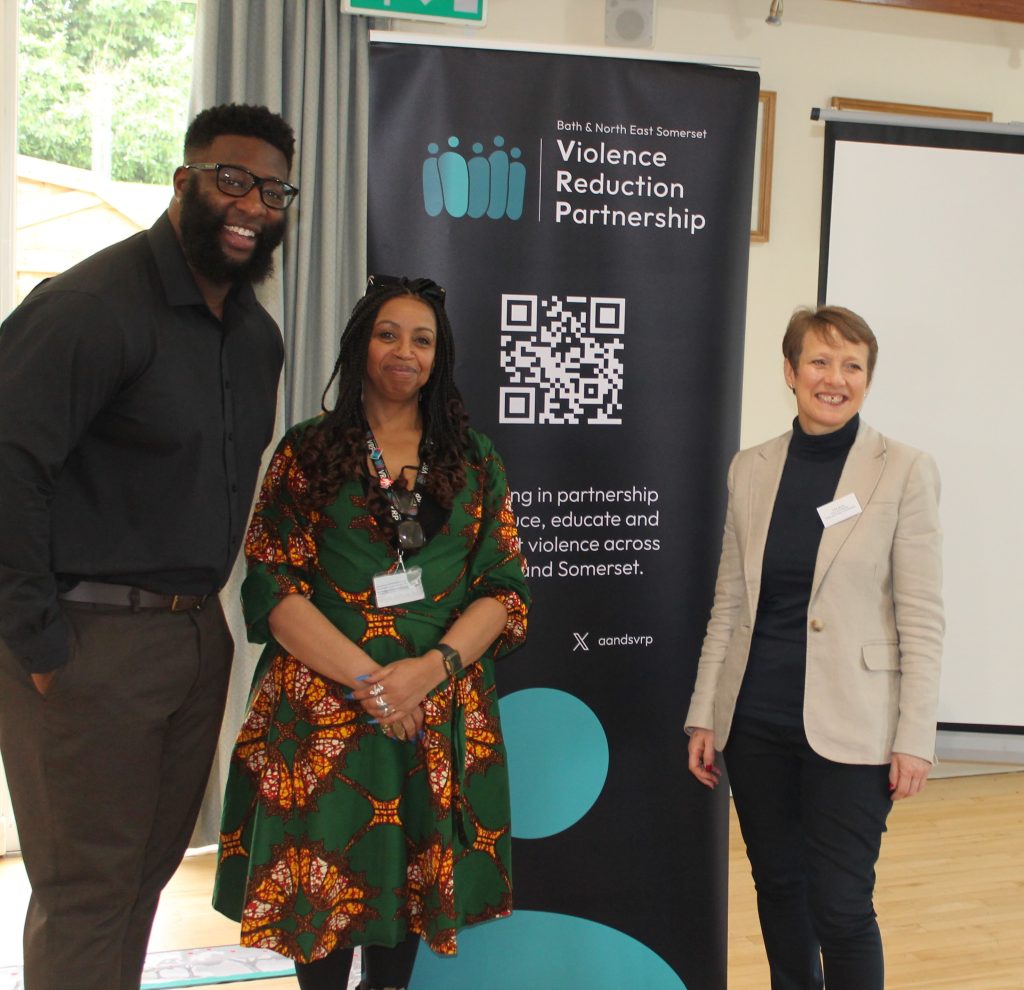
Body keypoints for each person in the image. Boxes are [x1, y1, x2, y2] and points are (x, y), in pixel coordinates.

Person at [0, 103, 298, 990]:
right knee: (87, 892)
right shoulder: (91, 307)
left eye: (273, 189)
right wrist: (38, 641)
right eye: (231, 179)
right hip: (86, 641)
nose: (251, 204)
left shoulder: (256, 339)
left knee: (141, 882)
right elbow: (9, 465)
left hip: (194, 638)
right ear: (184, 182)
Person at [212, 274, 530, 990]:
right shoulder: (304, 454)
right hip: (324, 719)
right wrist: (375, 685)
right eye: (388, 333)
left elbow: (504, 593)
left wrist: (427, 672)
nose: (404, 351)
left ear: (438, 358)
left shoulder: (476, 462)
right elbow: (272, 588)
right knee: (320, 910)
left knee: (407, 903)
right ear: (361, 345)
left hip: (436, 713)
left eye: (422, 339)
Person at [685, 306, 943, 990]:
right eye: (820, 362)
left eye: (852, 365)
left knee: (841, 905)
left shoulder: (905, 471)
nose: (835, 378)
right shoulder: (751, 469)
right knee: (780, 890)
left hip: (856, 727)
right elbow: (729, 604)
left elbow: (921, 616)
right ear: (792, 372)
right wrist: (706, 711)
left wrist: (915, 734)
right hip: (757, 721)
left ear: (868, 378)